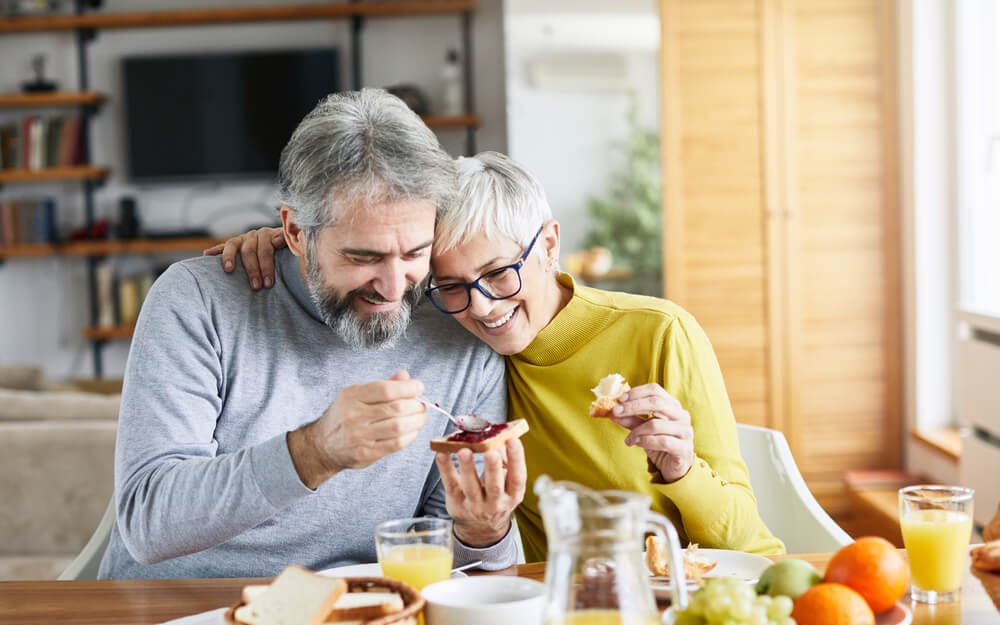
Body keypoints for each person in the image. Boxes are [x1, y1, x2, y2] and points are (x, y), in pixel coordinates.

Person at [211, 151, 784, 562]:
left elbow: (751, 543)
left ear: (550, 245)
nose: (482, 309)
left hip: (675, 598)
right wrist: (288, 246)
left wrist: (683, 472)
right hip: (541, 608)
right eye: (453, 285)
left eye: (499, 274)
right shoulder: (456, 342)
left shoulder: (660, 334)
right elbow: (365, 254)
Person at [98, 91, 524, 580]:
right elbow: (148, 521)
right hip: (173, 615)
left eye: (414, 254)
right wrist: (315, 451)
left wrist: (483, 534)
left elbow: (448, 559)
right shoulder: (196, 301)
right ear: (296, 231)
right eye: (363, 257)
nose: (391, 288)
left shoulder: (460, 329)